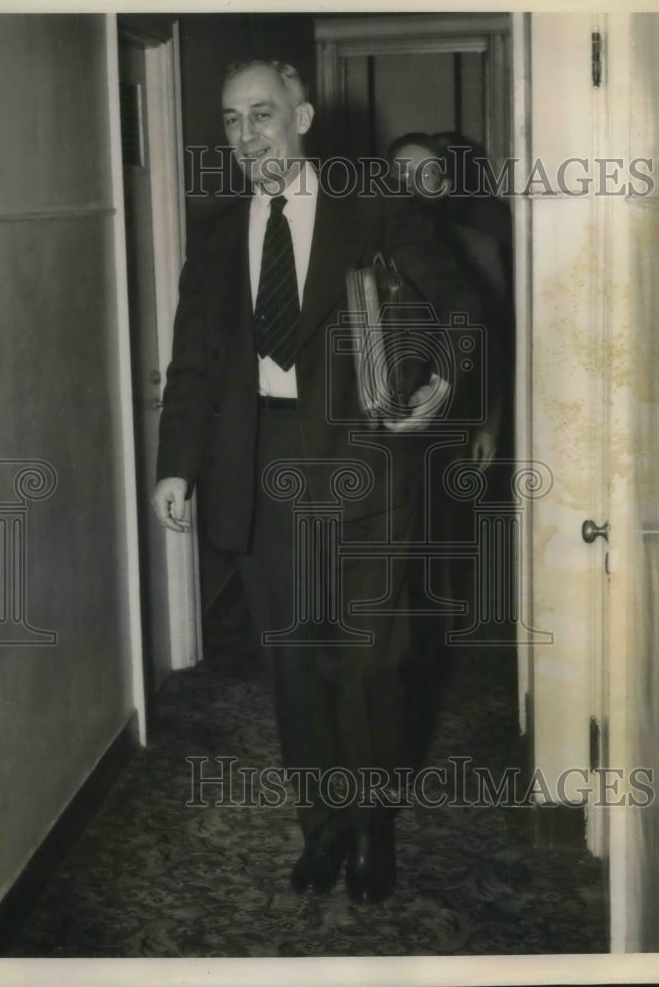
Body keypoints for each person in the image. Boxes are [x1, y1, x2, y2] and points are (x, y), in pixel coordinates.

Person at [152, 62, 480, 905]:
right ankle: (322, 828)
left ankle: (374, 830)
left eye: (262, 114)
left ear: (301, 116)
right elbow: (195, 361)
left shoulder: (374, 207)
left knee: (370, 660)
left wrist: (441, 383)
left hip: (368, 461)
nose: (247, 134)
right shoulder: (219, 233)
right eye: (231, 121)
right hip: (261, 469)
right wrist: (176, 466)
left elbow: (461, 312)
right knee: (295, 664)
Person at [387, 131, 514, 645]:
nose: (413, 186)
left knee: (448, 528)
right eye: (400, 175)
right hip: (388, 422)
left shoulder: (476, 245)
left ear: (444, 184)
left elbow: (497, 342)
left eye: (426, 174)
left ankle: (444, 637)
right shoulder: (365, 244)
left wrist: (489, 423)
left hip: (456, 416)